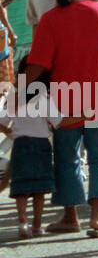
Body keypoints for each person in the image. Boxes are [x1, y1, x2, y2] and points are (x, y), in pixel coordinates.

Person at [24, 0, 98, 237]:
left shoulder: (50, 20)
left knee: (67, 158)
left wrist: (18, 93)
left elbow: (38, 64)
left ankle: (70, 216)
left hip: (66, 98)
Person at [2, 56, 73, 238]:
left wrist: (9, 132)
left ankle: (22, 222)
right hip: (41, 146)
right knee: (40, 190)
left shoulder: (14, 98)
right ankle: (37, 225)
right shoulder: (44, 98)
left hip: (20, 145)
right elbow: (59, 122)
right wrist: (83, 117)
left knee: (21, 189)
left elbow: (1, 121)